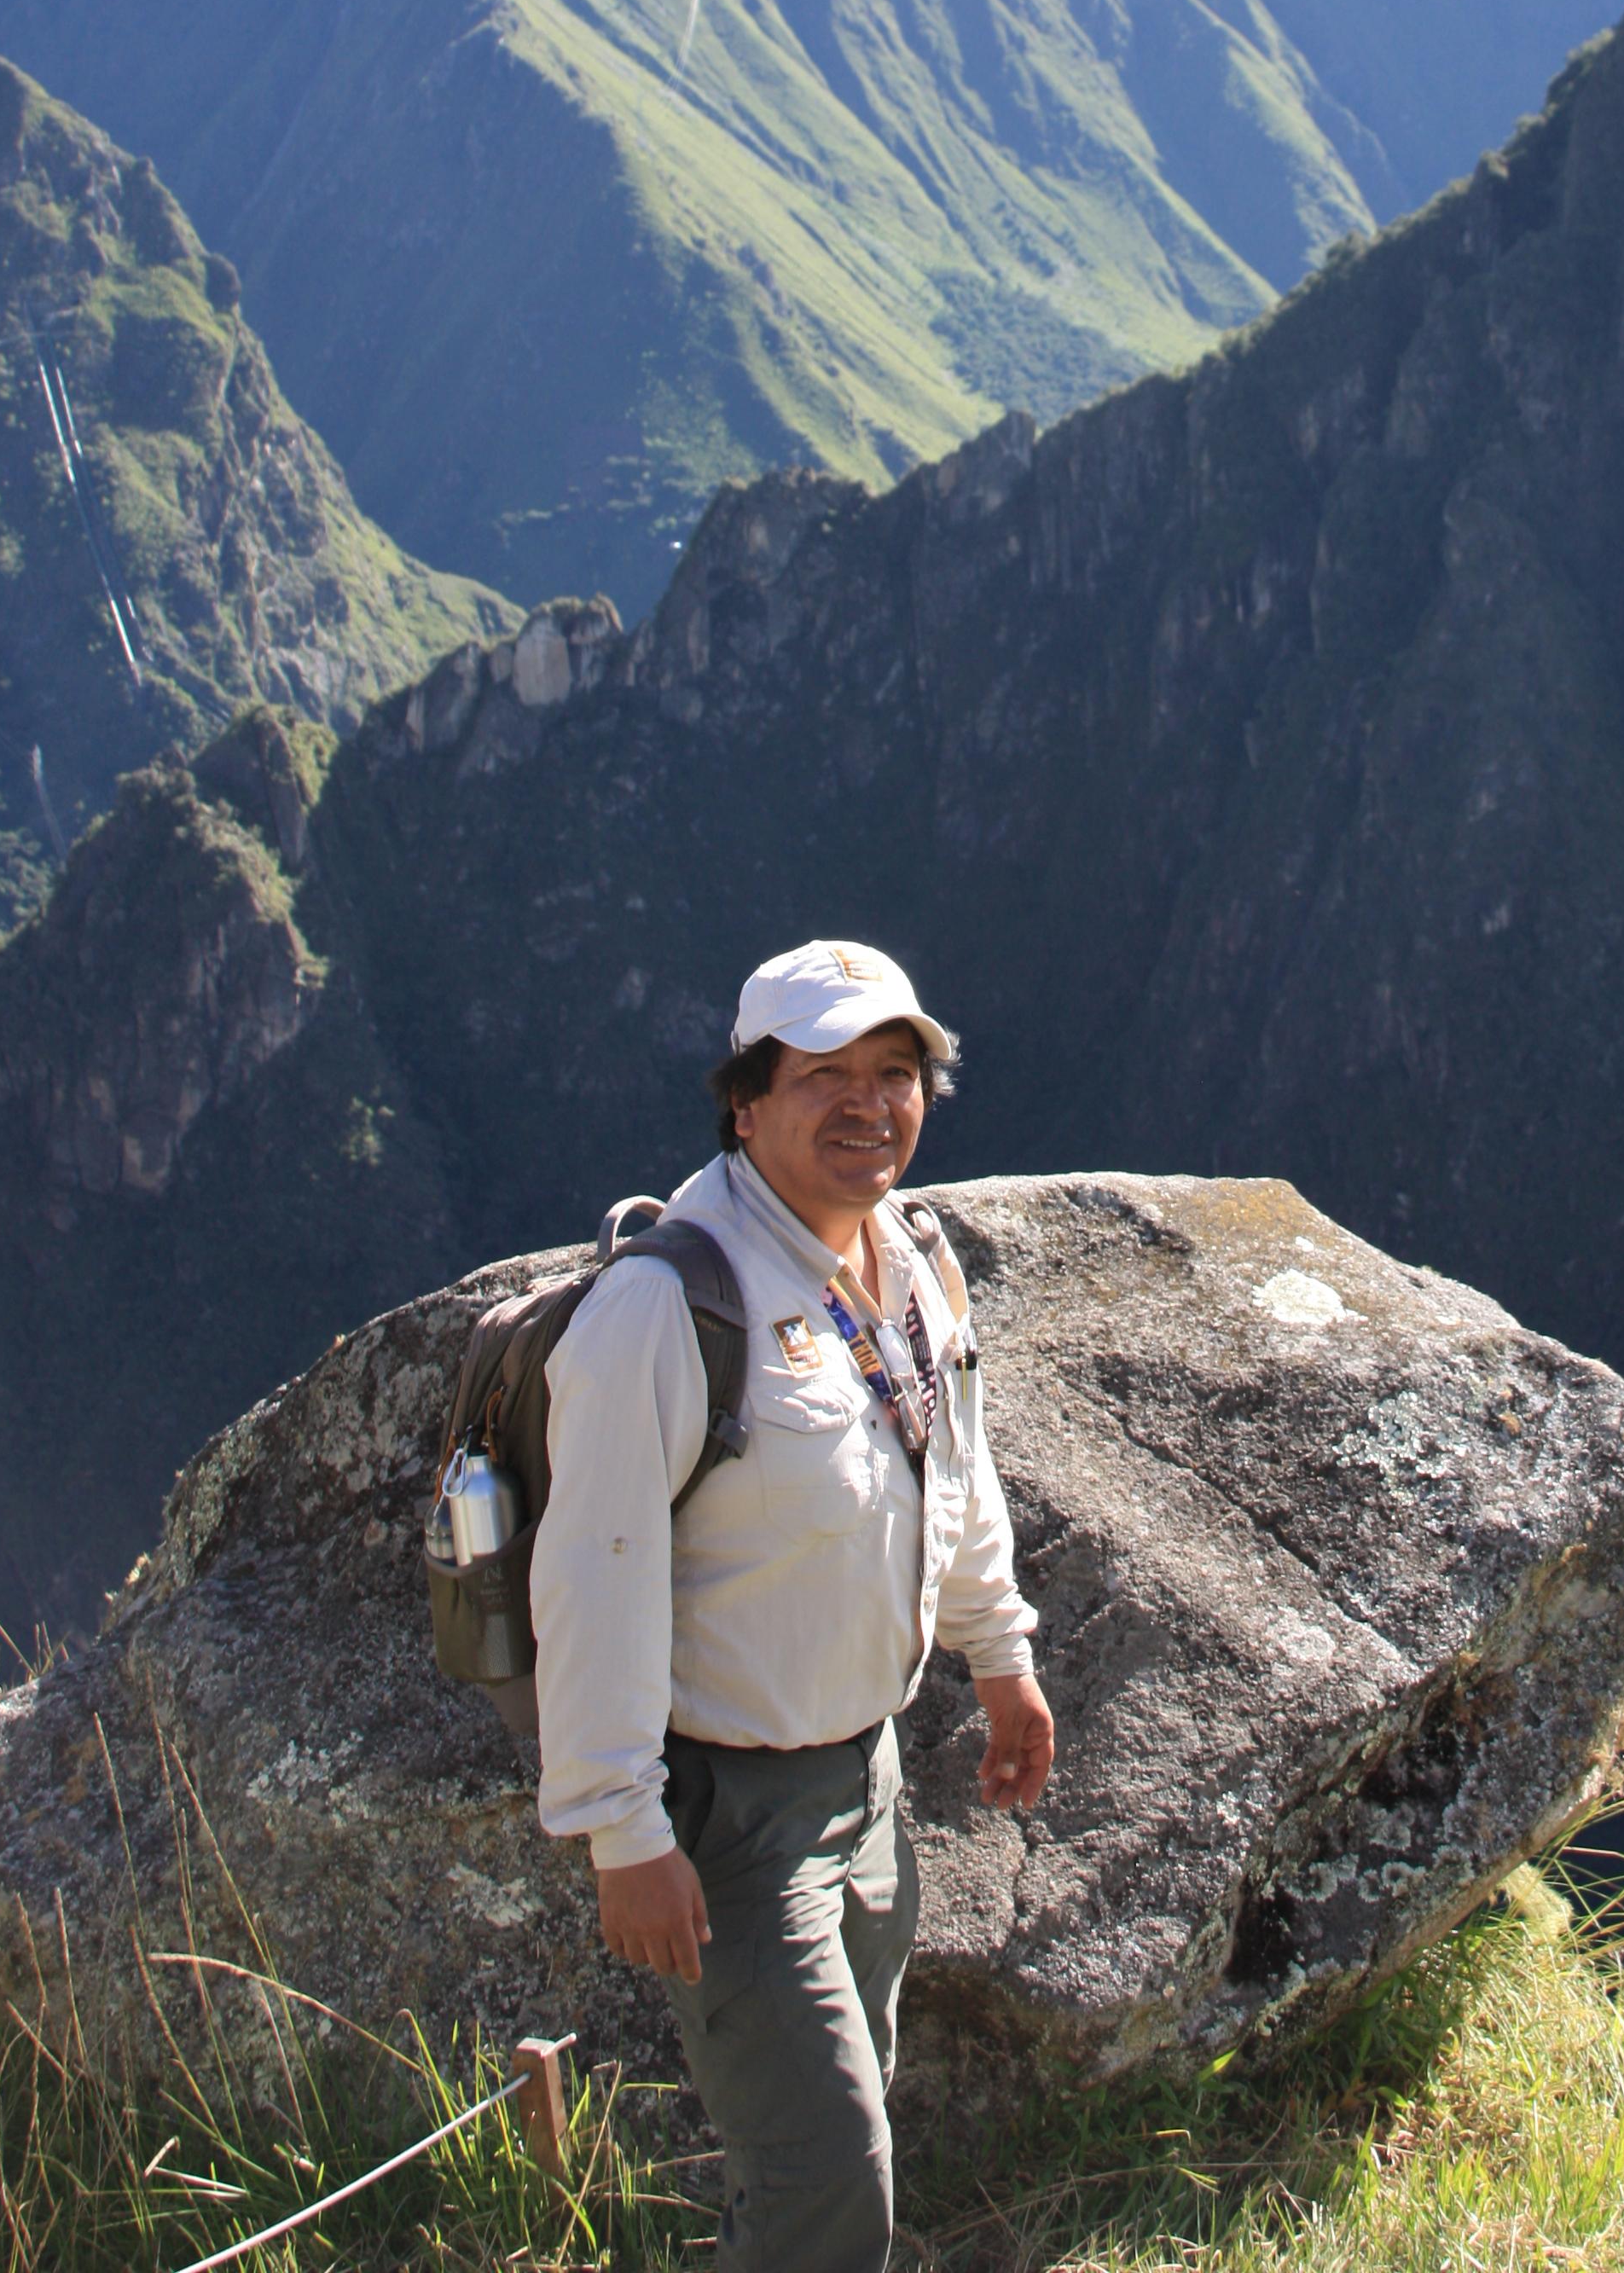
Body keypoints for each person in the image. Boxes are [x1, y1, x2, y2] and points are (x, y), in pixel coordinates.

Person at [531, 939, 1053, 2273]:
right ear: (746, 1104)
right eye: (826, 1076)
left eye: (896, 1073)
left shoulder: (909, 1259)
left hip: (867, 1782)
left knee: (831, 2132)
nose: (869, 1105)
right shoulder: (669, 1305)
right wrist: (619, 1826)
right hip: (727, 1816)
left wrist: (1001, 1656)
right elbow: (593, 1572)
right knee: (831, 2179)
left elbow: (954, 1472)